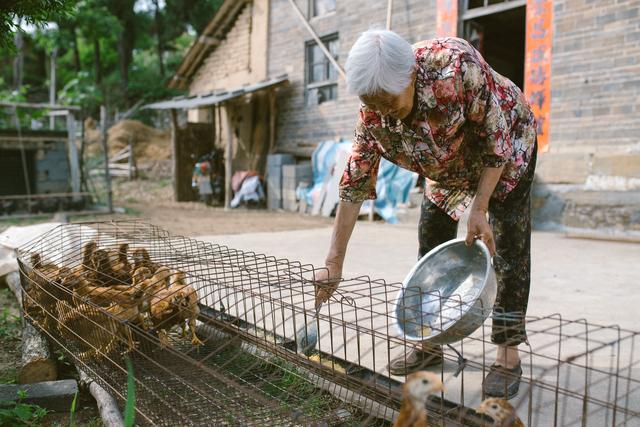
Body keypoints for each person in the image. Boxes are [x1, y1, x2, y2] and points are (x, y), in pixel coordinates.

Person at [314, 30, 537, 399]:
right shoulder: (373, 114)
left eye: (388, 100)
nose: (382, 110)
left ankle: (508, 355)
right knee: (430, 239)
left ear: (412, 75)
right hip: (444, 165)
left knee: (508, 250)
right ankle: (430, 344)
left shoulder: (455, 68)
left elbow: (498, 141)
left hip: (505, 151)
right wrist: (333, 263)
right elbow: (353, 185)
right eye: (373, 103)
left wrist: (479, 207)